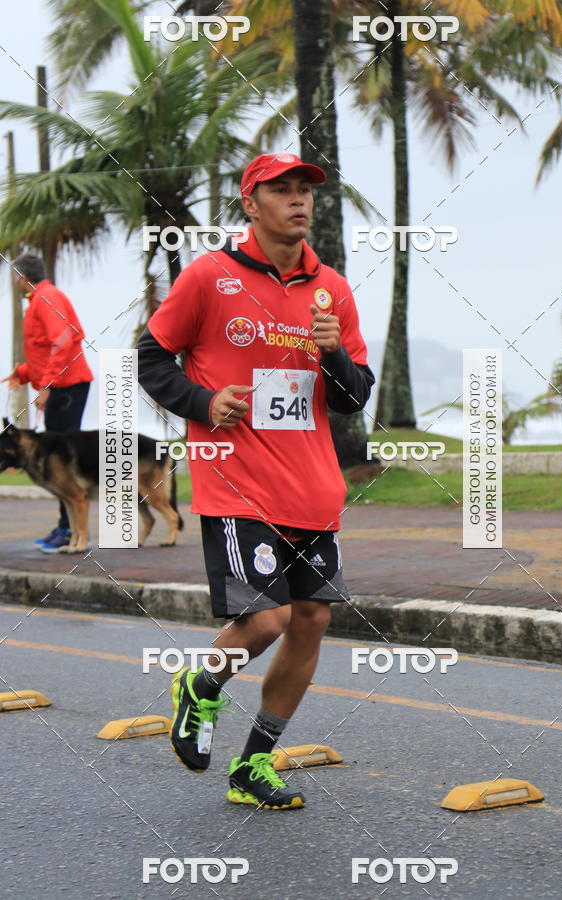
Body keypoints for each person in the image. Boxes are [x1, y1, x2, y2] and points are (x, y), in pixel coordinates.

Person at [136, 152, 375, 809]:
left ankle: (253, 766)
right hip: (237, 482)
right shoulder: (210, 277)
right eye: (283, 190)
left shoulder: (333, 289)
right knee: (265, 620)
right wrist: (204, 404)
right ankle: (200, 685)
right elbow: (152, 359)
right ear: (250, 203)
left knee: (310, 621)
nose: (299, 201)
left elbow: (355, 395)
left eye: (306, 191)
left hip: (314, 487)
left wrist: (330, 352)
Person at [1, 253, 93, 552]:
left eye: (14, 277)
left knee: (60, 461)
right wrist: (24, 374)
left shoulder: (47, 298)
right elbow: (43, 351)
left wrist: (47, 385)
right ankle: (66, 526)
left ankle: (69, 530)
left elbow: (65, 341)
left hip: (67, 387)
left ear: (22, 277)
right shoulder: (38, 301)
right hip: (59, 385)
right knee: (57, 460)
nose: (14, 283)